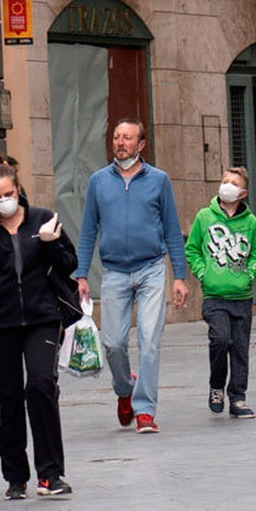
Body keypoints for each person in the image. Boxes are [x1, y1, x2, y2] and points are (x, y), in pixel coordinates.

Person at [0, 153, 78, 499]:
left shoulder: (43, 219)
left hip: (41, 318)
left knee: (42, 386)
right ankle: (15, 477)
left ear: (18, 188)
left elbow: (70, 263)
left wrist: (50, 242)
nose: (4, 201)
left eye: (8, 193)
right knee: (8, 397)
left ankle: (51, 474)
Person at [74, 119, 189, 434]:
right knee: (112, 344)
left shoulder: (159, 180)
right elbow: (88, 231)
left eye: (127, 138)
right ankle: (125, 389)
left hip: (151, 267)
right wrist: (81, 273)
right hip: (113, 272)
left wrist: (180, 275)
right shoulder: (99, 181)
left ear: (141, 145)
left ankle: (145, 411)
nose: (120, 142)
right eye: (116, 137)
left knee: (150, 340)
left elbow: (171, 229)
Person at [184, 167, 256, 420]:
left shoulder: (250, 223)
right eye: (224, 181)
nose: (226, 185)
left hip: (241, 296)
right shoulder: (205, 217)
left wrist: (249, 275)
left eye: (233, 183)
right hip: (214, 295)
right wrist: (203, 273)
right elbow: (192, 249)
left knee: (240, 347)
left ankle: (238, 397)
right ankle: (216, 386)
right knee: (220, 340)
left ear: (243, 193)